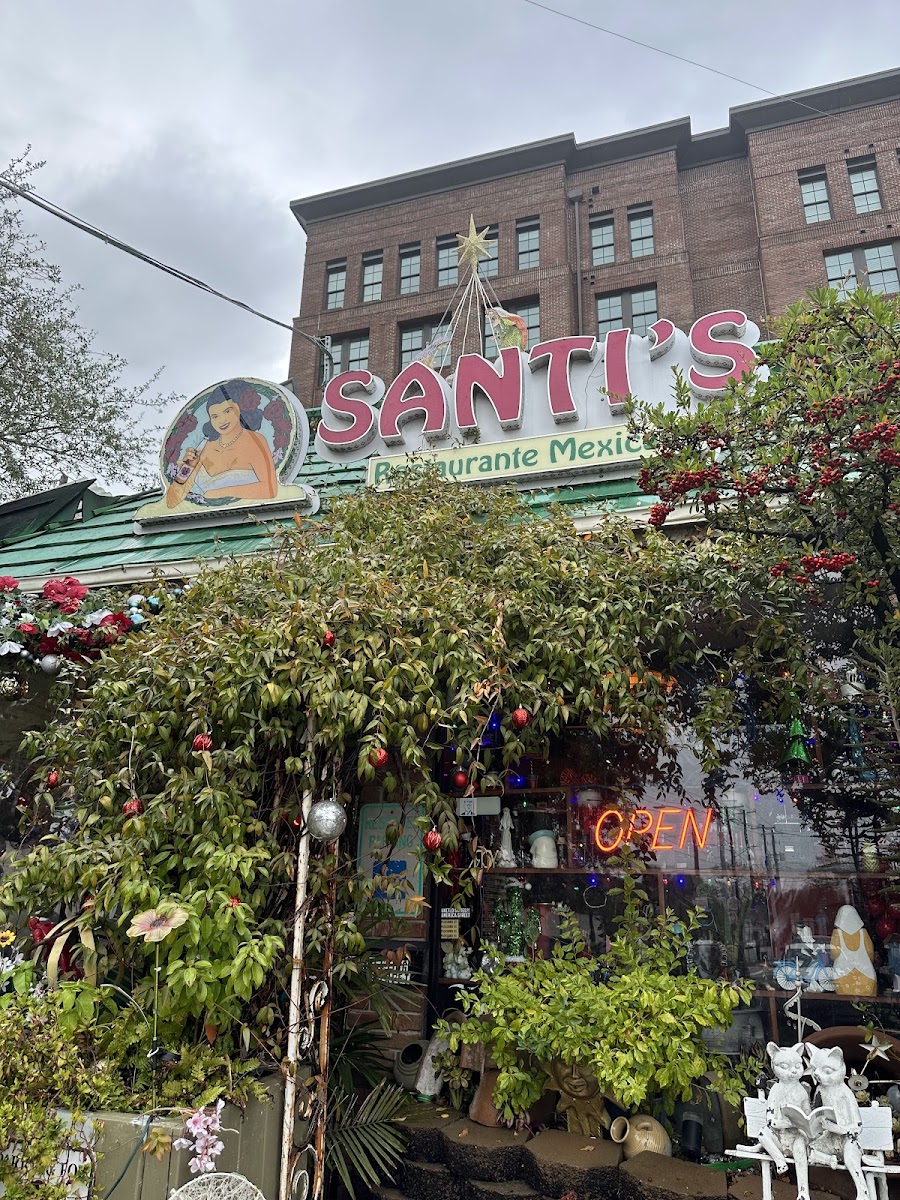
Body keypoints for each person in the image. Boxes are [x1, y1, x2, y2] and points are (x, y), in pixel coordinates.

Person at [166, 384, 278, 509]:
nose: (221, 420)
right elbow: (171, 502)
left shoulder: (255, 441)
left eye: (227, 411)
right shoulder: (203, 447)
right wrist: (186, 470)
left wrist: (219, 493)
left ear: (240, 409)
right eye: (215, 416)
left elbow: (270, 489)